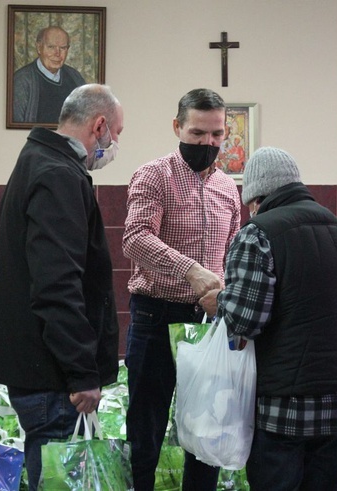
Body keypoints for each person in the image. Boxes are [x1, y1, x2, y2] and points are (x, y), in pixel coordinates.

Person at [199, 147, 337, 490]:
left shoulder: (257, 233)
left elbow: (248, 321)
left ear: (256, 197)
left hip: (287, 403)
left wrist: (220, 300)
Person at [0, 84, 124, 491]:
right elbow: (57, 285)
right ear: (99, 125)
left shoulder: (36, 160)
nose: (115, 143)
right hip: (53, 377)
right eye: (117, 133)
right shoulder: (59, 175)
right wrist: (82, 373)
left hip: (40, 368)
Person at [122, 88, 241, 491]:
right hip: (156, 317)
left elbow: (232, 256)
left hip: (207, 324)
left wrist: (223, 291)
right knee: (146, 428)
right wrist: (190, 270)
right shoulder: (154, 174)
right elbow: (135, 238)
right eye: (197, 134)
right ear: (177, 127)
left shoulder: (228, 188)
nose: (207, 143)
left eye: (216, 135)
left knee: (205, 431)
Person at [13, 26, 87, 124]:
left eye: (62, 48)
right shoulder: (21, 80)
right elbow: (16, 126)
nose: (57, 53)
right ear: (39, 48)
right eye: (51, 47)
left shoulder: (75, 78)